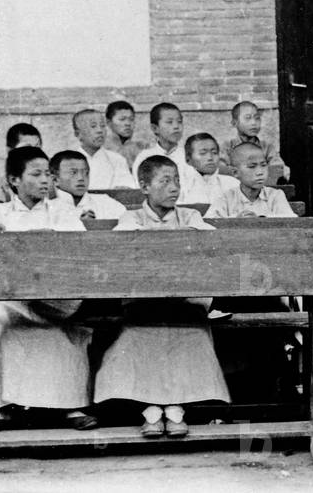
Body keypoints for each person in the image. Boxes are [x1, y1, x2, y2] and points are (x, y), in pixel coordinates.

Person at [95, 155, 230, 437]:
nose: (174, 188)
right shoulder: (131, 218)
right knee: (135, 337)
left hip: (184, 303)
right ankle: (152, 410)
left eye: (177, 181)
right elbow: (126, 245)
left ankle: (176, 409)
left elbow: (210, 240)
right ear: (144, 187)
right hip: (144, 303)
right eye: (165, 181)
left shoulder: (190, 217)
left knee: (193, 335)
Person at [0, 146, 96, 432]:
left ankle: (69, 406)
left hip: (54, 304)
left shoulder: (61, 212)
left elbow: (80, 249)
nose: (45, 180)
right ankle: (4, 408)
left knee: (61, 332)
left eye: (48, 174)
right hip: (12, 304)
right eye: (36, 174)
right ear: (14, 180)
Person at [205, 142, 296, 218]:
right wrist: (235, 222)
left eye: (263, 165)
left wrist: (260, 220)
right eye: (252, 167)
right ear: (235, 173)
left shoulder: (275, 196)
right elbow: (210, 224)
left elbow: (291, 222)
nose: (260, 172)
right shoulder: (226, 198)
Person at [218, 101, 288, 183]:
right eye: (248, 118)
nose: (254, 123)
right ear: (234, 123)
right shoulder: (227, 147)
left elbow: (277, 168)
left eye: (257, 118)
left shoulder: (267, 147)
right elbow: (221, 171)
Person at [0, 123, 44, 208]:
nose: (35, 153)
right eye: (26, 148)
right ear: (10, 150)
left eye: (37, 148)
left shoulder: (47, 178)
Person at [50, 150, 128, 220]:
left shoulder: (105, 203)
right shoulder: (48, 207)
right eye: (73, 173)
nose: (81, 178)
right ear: (55, 179)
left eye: (86, 173)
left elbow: (130, 224)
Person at [72, 109, 137, 189]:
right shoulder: (68, 161)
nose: (100, 131)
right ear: (78, 134)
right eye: (93, 126)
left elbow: (126, 189)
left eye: (102, 126)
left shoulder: (117, 160)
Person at [179, 132, 239, 206]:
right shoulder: (181, 187)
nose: (210, 158)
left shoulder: (233, 184)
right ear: (188, 159)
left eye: (214, 152)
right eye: (203, 153)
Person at [131, 103, 186, 176]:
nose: (176, 126)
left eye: (179, 121)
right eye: (169, 122)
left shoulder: (189, 155)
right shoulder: (145, 157)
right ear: (155, 128)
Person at [104, 100, 149, 170]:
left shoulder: (143, 148)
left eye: (131, 119)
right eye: (122, 119)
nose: (128, 123)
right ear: (109, 122)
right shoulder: (101, 149)